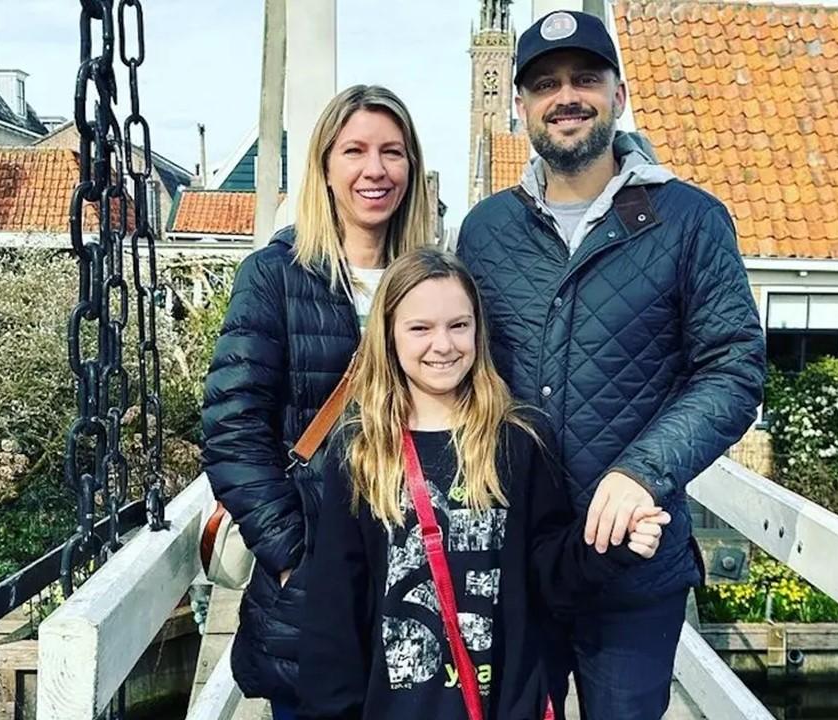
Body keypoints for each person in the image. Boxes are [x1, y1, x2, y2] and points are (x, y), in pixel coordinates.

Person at [456, 10, 767, 719]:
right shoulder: (487, 231)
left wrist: (643, 469)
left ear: (617, 95)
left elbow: (732, 369)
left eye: (584, 79)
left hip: (634, 562)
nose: (566, 97)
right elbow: (455, 369)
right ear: (521, 106)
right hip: (516, 559)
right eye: (544, 84)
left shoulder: (689, 221)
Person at [296, 247, 670, 720]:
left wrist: (613, 543)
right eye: (420, 328)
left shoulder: (519, 441)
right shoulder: (360, 453)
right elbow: (336, 613)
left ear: (478, 328)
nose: (444, 345)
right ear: (388, 335)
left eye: (459, 325)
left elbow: (548, 572)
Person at [201, 84, 434, 719]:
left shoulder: (434, 281)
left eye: (392, 151)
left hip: (417, 573)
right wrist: (291, 558)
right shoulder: (276, 277)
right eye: (354, 150)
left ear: (412, 168)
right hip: (316, 577)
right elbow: (233, 427)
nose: (374, 169)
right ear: (326, 167)